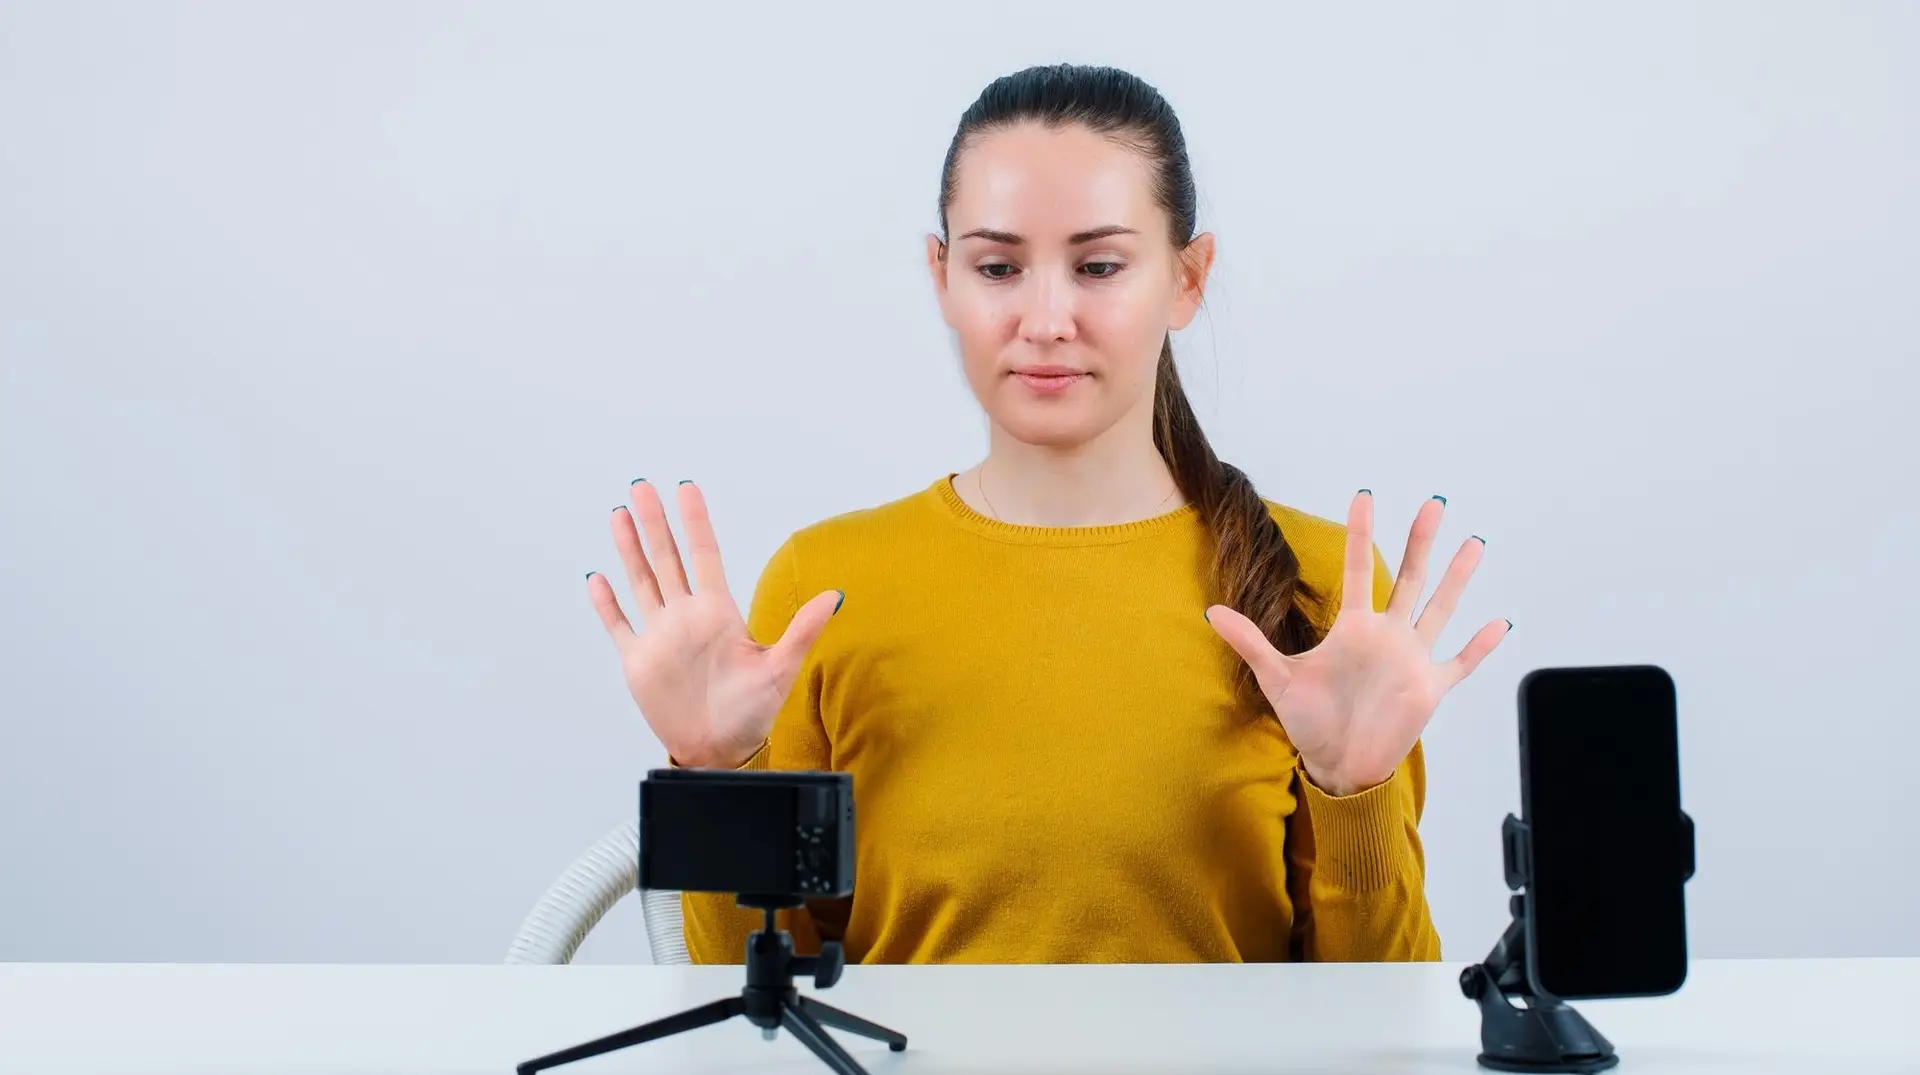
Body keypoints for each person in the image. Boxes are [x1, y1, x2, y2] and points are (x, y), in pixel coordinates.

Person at [585, 63, 1508, 965]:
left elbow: (1380, 1024)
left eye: (1099, 264)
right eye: (997, 266)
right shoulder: (824, 590)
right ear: (943, 276)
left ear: (1188, 278)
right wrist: (714, 775)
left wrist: (1356, 792)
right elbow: (762, 1016)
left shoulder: (1316, 583)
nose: (1047, 318)